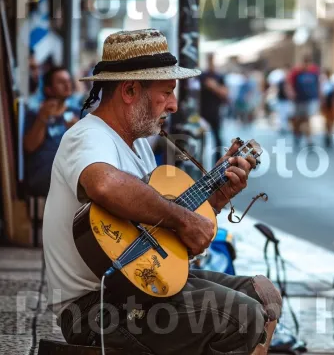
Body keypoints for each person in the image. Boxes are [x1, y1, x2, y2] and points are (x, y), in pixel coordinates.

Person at [43, 29, 281, 355]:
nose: (174, 104)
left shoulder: (138, 145)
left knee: (264, 296)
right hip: (96, 306)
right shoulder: (89, 136)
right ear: (129, 90)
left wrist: (215, 198)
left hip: (137, 286)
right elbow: (105, 184)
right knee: (241, 317)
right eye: (166, 92)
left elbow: (152, 227)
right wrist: (183, 219)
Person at [23, 66, 80, 197]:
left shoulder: (78, 114)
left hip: (71, 178)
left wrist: (78, 131)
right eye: (61, 82)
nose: (67, 85)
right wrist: (42, 118)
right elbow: (30, 146)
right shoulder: (34, 114)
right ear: (48, 89)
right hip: (43, 180)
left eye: (68, 81)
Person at [200, 53, 229, 165]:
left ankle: (217, 165)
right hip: (202, 114)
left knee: (218, 140)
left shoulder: (219, 76)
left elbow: (225, 93)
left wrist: (214, 86)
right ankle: (200, 164)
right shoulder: (202, 76)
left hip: (215, 113)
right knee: (201, 140)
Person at [288, 55, 321, 147]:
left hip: (310, 98)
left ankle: (309, 139)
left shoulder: (314, 71)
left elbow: (318, 83)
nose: (307, 65)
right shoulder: (296, 72)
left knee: (307, 118)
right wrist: (291, 93)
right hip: (299, 99)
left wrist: (320, 95)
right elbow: (290, 83)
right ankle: (297, 133)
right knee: (299, 119)